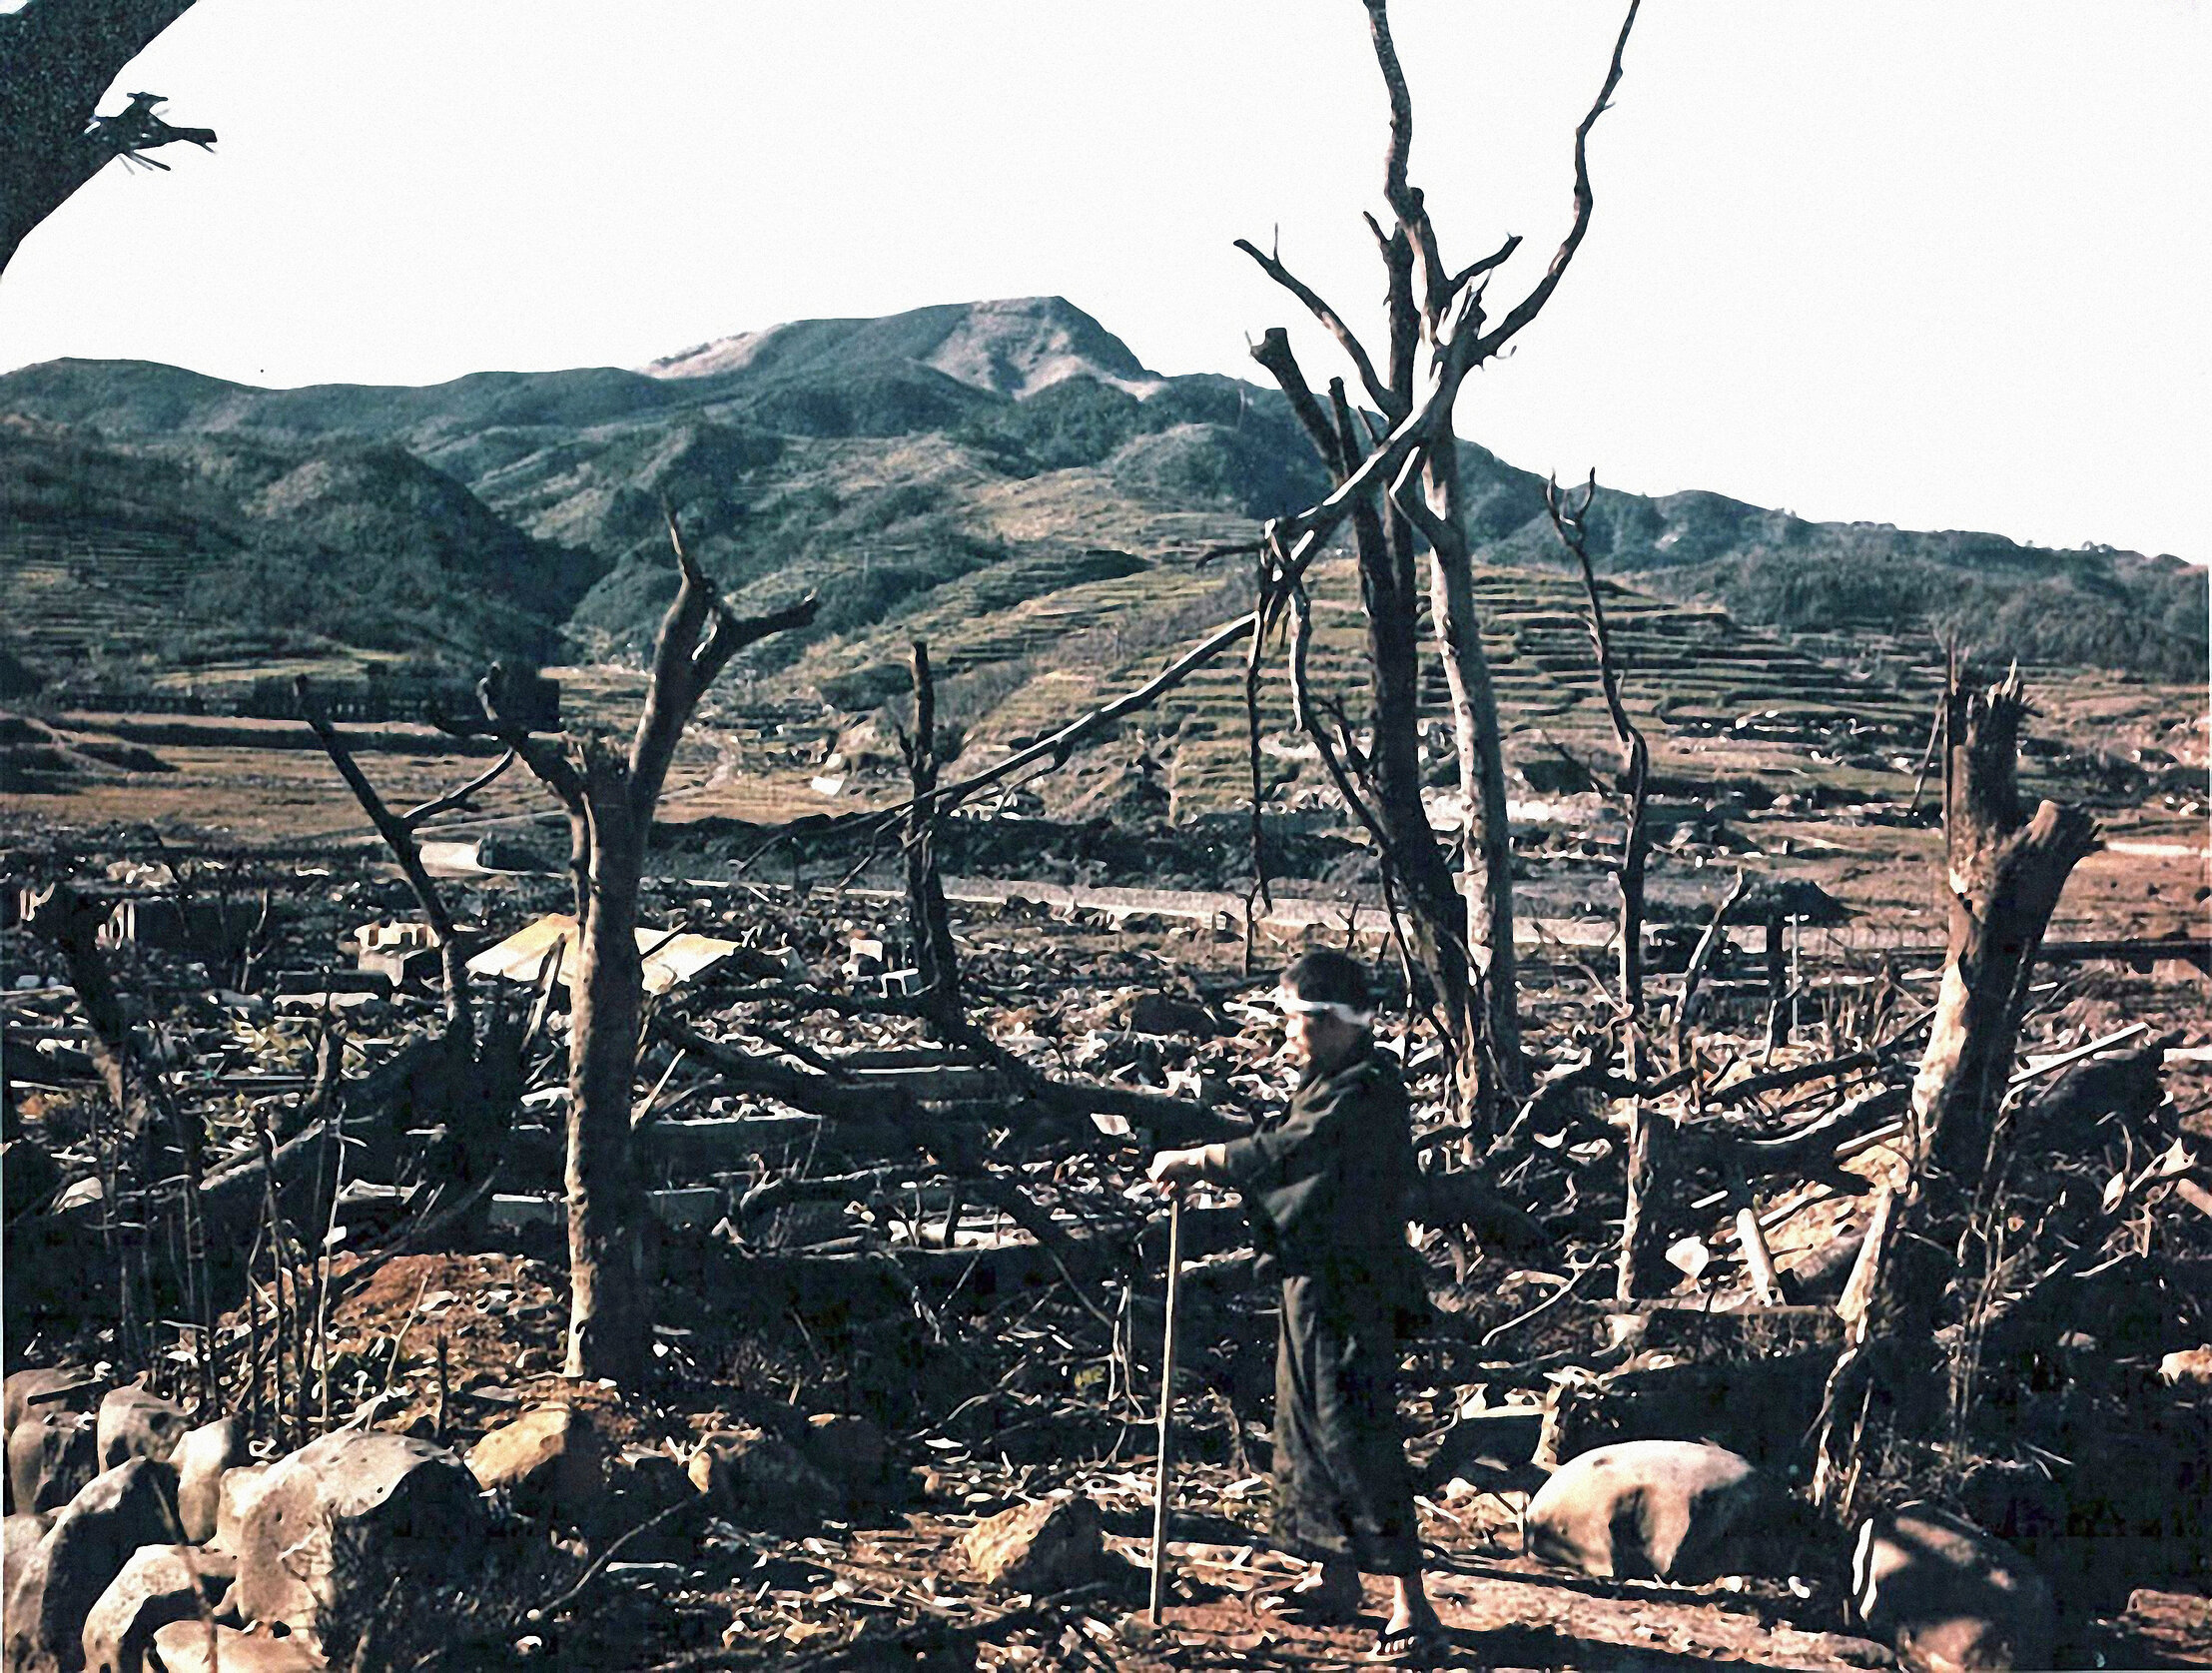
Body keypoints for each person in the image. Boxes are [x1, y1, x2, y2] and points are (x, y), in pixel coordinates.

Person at [1147, 949, 1445, 1665]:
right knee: (1301, 1423)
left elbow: (1294, 1151)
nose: (1288, 1035)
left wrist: (1204, 1158)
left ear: (1337, 1021)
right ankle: (1332, 1573)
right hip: (1309, 1282)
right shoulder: (1327, 1078)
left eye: (1297, 1021)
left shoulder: (1367, 1091)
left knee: (1354, 1430)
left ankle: (1412, 1604)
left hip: (1354, 1284)